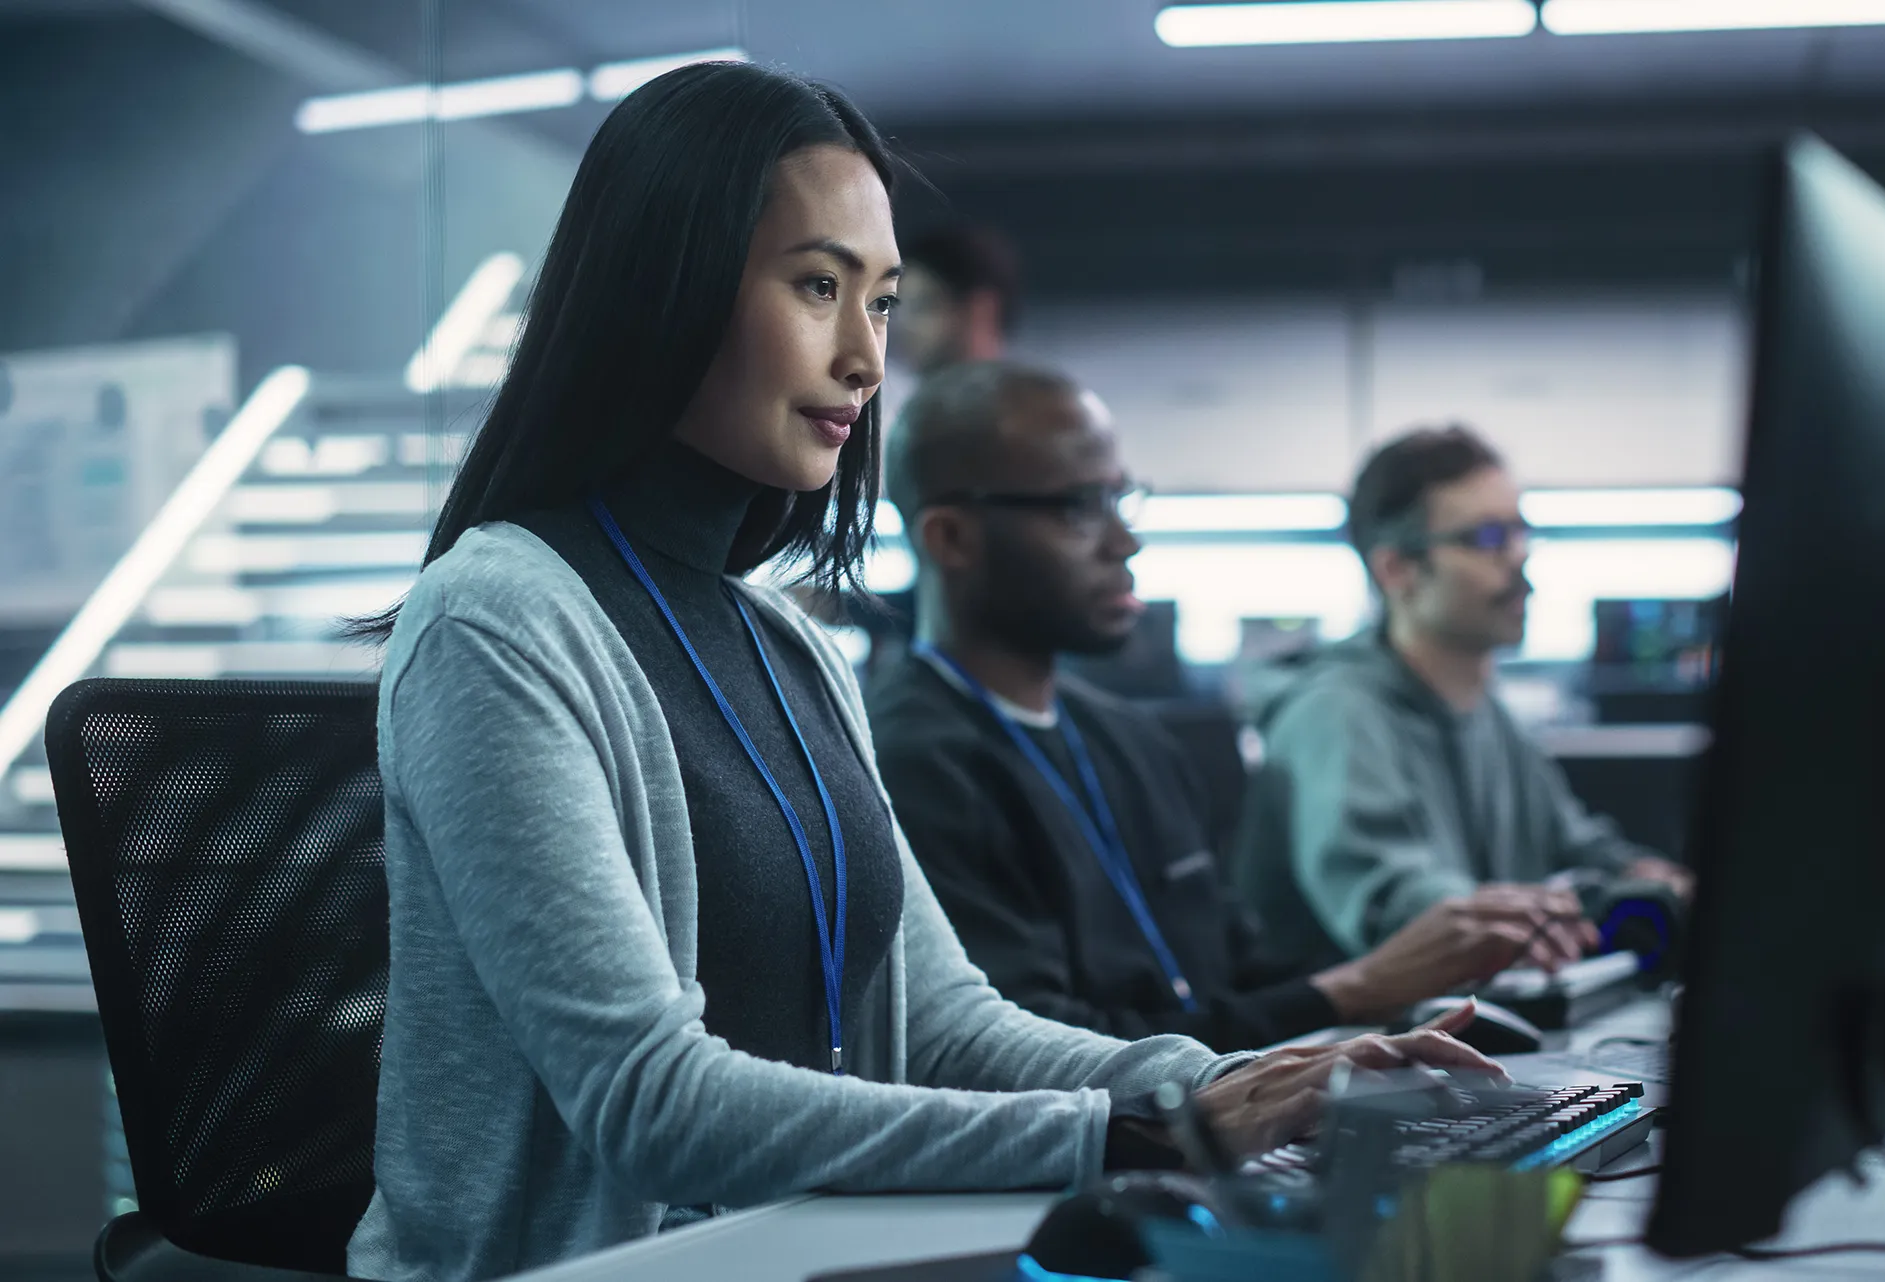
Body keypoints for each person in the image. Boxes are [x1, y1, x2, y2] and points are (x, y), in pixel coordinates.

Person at [345, 65, 1494, 1282]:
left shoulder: (790, 646)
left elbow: (947, 1025)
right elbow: (650, 1101)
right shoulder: (496, 620)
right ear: (664, 286)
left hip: (810, 1249)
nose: (864, 359)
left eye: (883, 303)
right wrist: (1154, 1130)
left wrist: (1225, 1083)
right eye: (817, 285)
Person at [867, 364, 1577, 1054]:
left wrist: (1404, 1002)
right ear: (951, 538)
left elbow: (1237, 974)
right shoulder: (908, 763)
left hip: (1221, 1130)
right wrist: (1355, 989)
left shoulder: (1131, 740)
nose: (1125, 540)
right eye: (1080, 508)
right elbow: (1034, 1053)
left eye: (1122, 498)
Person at [1236, 425, 1694, 975]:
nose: (1520, 558)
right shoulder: (1336, 713)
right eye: (1486, 539)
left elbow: (1576, 846)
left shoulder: (1489, 713)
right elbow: (1402, 911)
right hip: (1350, 1046)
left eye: (1521, 532)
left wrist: (1650, 878)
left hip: (1464, 1029)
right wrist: (1554, 916)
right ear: (1397, 571)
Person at [891, 223, 1020, 375]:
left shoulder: (1034, 397)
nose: (904, 325)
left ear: (979, 310)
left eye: (922, 306)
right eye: (899, 308)